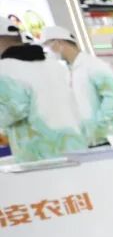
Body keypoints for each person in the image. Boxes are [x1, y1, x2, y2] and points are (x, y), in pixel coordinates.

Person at [0, 25, 86, 162]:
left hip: (41, 154)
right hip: (75, 146)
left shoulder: (5, 68)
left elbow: (10, 112)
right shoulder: (54, 65)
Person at [42, 26, 113, 147]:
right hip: (95, 138)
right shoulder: (70, 71)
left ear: (59, 42)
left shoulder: (94, 65)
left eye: (48, 46)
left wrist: (98, 124)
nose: (48, 51)